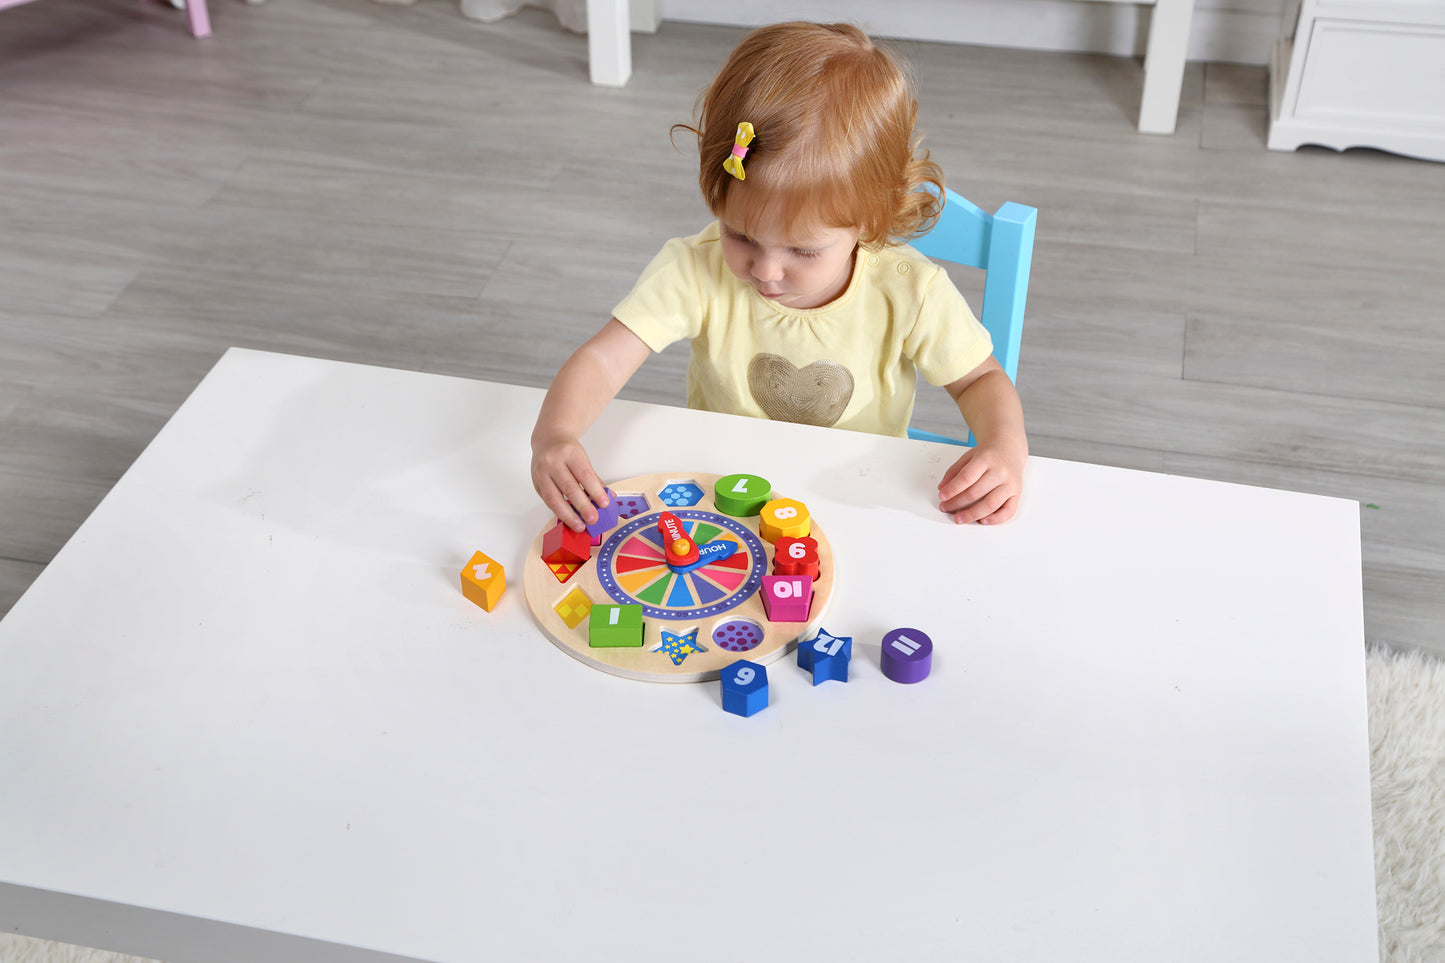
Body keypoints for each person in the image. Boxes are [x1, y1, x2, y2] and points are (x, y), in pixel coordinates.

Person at [530, 21, 1027, 532]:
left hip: (853, 500)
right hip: (723, 499)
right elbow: (604, 360)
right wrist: (555, 433)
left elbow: (980, 380)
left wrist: (1005, 446)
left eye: (804, 249)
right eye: (740, 235)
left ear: (869, 220)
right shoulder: (694, 267)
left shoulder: (910, 291)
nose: (764, 270)